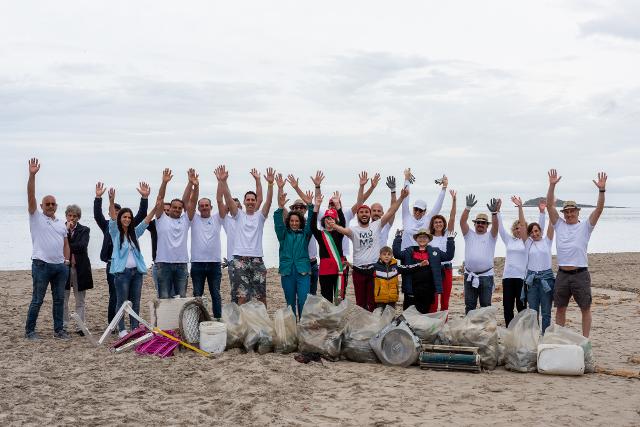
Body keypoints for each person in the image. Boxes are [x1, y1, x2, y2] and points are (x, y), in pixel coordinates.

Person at [547, 169, 607, 337]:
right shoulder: (559, 225)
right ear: (564, 214)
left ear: (578, 212)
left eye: (572, 211)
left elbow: (599, 209)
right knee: (560, 308)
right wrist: (552, 185)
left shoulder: (585, 226)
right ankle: (559, 338)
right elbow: (550, 206)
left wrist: (601, 191)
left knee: (585, 308)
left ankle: (585, 340)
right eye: (566, 211)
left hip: (580, 274)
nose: (569, 214)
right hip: (562, 274)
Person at [332, 187, 408, 311]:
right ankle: (363, 327)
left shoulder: (376, 225)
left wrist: (401, 197)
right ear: (357, 215)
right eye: (361, 212)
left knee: (373, 302)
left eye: (366, 212)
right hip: (358, 270)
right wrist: (333, 223)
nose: (364, 214)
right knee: (360, 303)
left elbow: (392, 211)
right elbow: (341, 227)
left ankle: (373, 327)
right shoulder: (353, 230)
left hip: (374, 269)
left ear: (370, 214)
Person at [25, 158, 71, 340]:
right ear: (42, 206)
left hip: (60, 266)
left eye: (53, 204)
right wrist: (32, 175)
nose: (50, 206)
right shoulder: (35, 216)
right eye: (47, 204)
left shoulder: (61, 223)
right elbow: (30, 195)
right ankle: (30, 331)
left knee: (59, 300)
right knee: (37, 300)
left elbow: (66, 243)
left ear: (56, 206)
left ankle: (59, 330)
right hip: (41, 264)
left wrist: (66, 261)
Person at [94, 181, 149, 324]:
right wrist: (99, 198)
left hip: (132, 269)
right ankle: (115, 325)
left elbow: (143, 215)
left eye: (121, 213)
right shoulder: (107, 225)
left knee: (131, 299)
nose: (118, 215)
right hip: (114, 265)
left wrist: (144, 199)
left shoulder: (131, 228)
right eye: (115, 212)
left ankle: (130, 326)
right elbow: (97, 214)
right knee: (116, 296)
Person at [219, 165, 275, 306]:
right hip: (239, 260)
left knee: (261, 297)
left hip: (257, 259)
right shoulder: (238, 216)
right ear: (244, 202)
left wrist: (269, 184)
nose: (250, 202)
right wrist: (224, 182)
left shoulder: (260, 216)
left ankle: (262, 324)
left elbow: (267, 200)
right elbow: (228, 198)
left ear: (256, 202)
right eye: (248, 200)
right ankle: (244, 325)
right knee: (242, 297)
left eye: (253, 200)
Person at [108, 188, 157, 337]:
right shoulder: (115, 232)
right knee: (122, 302)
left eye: (129, 217)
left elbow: (146, 221)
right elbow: (111, 218)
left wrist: (156, 205)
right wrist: (111, 201)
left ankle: (135, 328)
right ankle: (122, 329)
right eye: (124, 217)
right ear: (120, 218)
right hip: (122, 273)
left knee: (135, 302)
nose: (127, 219)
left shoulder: (134, 233)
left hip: (136, 272)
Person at [189, 167, 225, 319]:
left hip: (214, 263)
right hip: (197, 263)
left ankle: (217, 318)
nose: (204, 207)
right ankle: (199, 319)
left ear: (211, 207)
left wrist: (220, 182)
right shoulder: (193, 218)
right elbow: (190, 201)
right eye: (201, 205)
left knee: (215, 293)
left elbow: (219, 199)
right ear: (198, 208)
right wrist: (195, 186)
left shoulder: (218, 218)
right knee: (198, 294)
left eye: (206, 205)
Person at [515, 198, 555, 334]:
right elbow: (521, 225)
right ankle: (534, 335)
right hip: (532, 280)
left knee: (546, 312)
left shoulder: (547, 241)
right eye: (532, 232)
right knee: (533, 311)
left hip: (546, 279)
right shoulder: (528, 243)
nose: (534, 234)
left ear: (540, 231)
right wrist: (520, 207)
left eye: (537, 231)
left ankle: (545, 336)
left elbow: (552, 223)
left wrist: (549, 208)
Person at [274, 185, 313, 317]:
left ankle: (302, 327)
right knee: (290, 303)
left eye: (297, 221)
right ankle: (291, 328)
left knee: (303, 301)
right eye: (292, 221)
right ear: (288, 222)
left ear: (301, 222)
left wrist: (311, 206)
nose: (294, 223)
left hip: (303, 271)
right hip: (287, 271)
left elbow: (311, 222)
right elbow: (278, 223)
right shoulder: (283, 235)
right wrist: (280, 208)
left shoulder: (305, 234)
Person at [393, 229, 455, 313]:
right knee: (408, 313)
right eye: (420, 237)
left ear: (429, 239)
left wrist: (450, 240)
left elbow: (449, 256)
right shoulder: (409, 251)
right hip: (411, 289)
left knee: (424, 313)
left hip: (428, 290)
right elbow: (397, 254)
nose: (422, 239)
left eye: (425, 237)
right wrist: (398, 237)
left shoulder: (435, 251)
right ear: (416, 239)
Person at [154, 168, 194, 298]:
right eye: (174, 207)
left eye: (179, 208)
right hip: (163, 263)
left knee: (181, 297)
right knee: (164, 298)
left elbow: (187, 200)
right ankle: (164, 320)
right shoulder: (161, 219)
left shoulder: (185, 220)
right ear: (169, 208)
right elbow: (160, 198)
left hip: (181, 264)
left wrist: (190, 183)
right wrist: (164, 183)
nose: (177, 209)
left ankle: (179, 320)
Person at [460, 195, 500, 314]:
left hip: (486, 276)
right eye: (478, 222)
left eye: (483, 223)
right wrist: (467, 208)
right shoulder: (469, 234)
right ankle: (469, 330)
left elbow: (496, 226)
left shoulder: (491, 236)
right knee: (470, 306)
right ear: (475, 224)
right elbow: (462, 222)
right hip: (469, 276)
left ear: (487, 225)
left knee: (486, 307)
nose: (480, 224)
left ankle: (485, 331)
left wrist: (494, 213)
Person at [496, 196, 529, 327]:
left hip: (522, 278)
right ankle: (509, 330)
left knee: (521, 306)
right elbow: (500, 229)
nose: (518, 229)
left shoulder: (527, 241)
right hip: (508, 277)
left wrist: (520, 207)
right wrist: (497, 212)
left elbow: (523, 222)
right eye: (515, 228)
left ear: (524, 229)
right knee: (508, 306)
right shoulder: (509, 240)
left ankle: (521, 330)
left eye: (520, 227)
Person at [310, 192, 347, 303]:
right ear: (323, 220)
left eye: (331, 218)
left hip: (338, 269)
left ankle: (338, 319)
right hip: (325, 270)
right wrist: (316, 207)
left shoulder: (339, 232)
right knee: (326, 297)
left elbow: (343, 222)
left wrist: (338, 206)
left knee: (339, 297)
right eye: (327, 218)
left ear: (336, 221)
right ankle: (328, 319)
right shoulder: (320, 235)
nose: (329, 220)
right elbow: (312, 225)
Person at [62, 204, 93, 336]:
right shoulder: (60, 228)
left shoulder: (85, 230)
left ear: (78, 217)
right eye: (70, 215)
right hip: (64, 268)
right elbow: (58, 245)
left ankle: (80, 326)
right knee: (63, 298)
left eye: (75, 216)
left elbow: (82, 246)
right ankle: (63, 325)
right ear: (66, 216)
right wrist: (66, 231)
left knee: (80, 299)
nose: (72, 218)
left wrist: (67, 241)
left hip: (80, 268)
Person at [399, 168, 447, 250]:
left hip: (423, 256)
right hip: (406, 255)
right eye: (416, 209)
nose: (417, 212)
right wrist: (406, 179)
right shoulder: (406, 216)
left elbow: (438, 206)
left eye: (420, 210)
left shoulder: (428, 219)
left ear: (424, 211)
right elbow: (405, 198)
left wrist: (444, 187)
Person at [428, 189, 457, 312]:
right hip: (433, 269)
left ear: (444, 224)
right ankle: (432, 323)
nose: (438, 224)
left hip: (446, 269)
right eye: (436, 222)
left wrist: (454, 200)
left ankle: (444, 323)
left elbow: (452, 217)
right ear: (432, 225)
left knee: (445, 299)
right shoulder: (428, 237)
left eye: (440, 222)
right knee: (433, 299)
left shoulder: (447, 234)